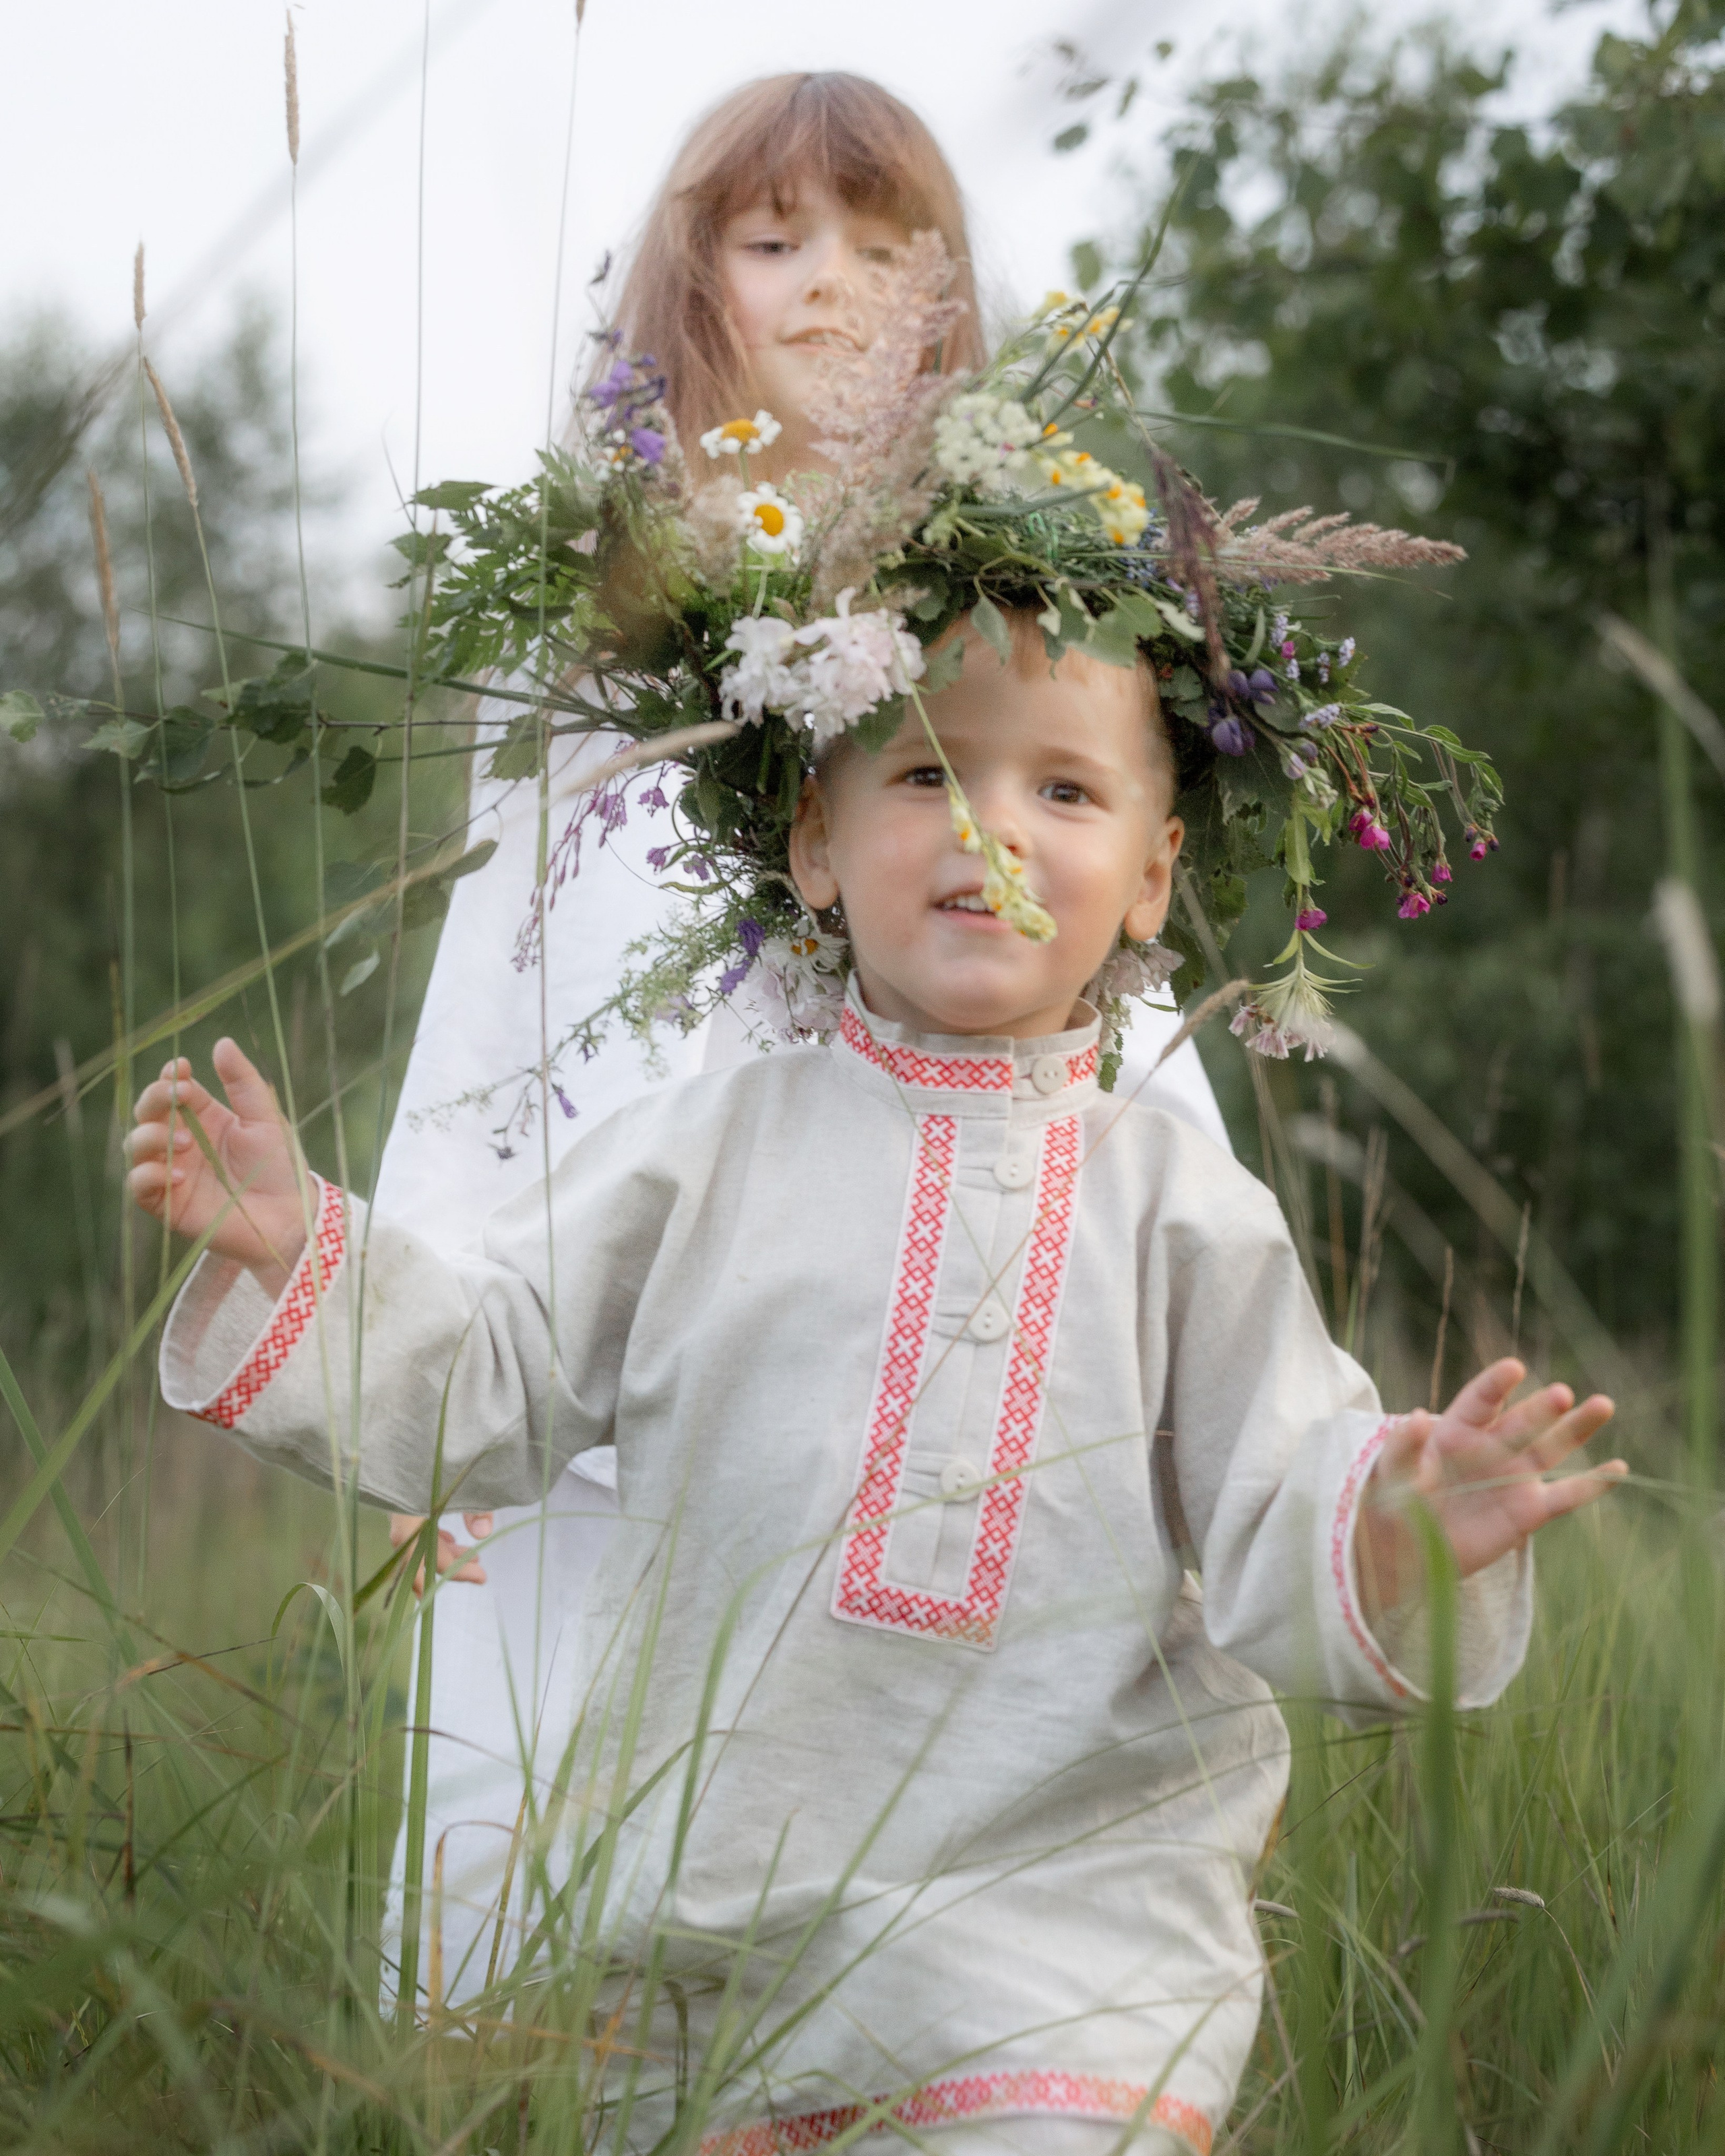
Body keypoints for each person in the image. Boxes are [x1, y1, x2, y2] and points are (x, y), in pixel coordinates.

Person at [131, 591, 1623, 2153]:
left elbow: (1276, 1496)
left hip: (1067, 1919)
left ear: (1149, 875)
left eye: (1064, 788)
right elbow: (489, 1374)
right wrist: (302, 1254)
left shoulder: (1181, 1209)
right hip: (712, 1921)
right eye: (924, 775)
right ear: (815, 845)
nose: (991, 826)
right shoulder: (694, 1155)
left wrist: (1386, 1529)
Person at [371, 72, 1230, 2005]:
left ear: (947, 306)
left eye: (881, 243)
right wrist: (426, 1379)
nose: (829, 282)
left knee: (867, 1851)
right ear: (698, 290)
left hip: (888, 1314)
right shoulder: (603, 639)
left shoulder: (1011, 608)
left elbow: (1083, 964)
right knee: (544, 1816)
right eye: (775, 241)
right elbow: (498, 995)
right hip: (601, 1315)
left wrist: (1172, 1340)